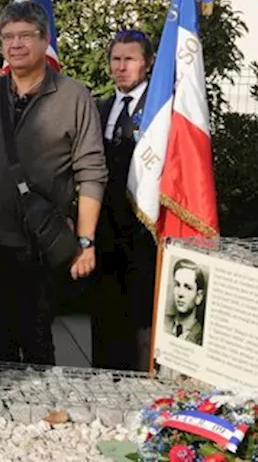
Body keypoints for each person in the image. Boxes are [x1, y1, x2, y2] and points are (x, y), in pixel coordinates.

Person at [0, 0, 106, 365]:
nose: (15, 44)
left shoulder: (73, 96)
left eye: (25, 36)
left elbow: (91, 171)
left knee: (36, 341)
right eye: (8, 37)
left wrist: (85, 240)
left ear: (44, 40)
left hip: (38, 247)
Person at [92, 29, 157, 370]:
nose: (121, 67)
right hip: (104, 226)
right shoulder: (100, 107)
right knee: (104, 310)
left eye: (130, 59)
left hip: (144, 231)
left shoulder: (160, 112)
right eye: (116, 59)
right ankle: (102, 376)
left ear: (147, 64)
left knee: (139, 316)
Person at [166, 258, 206, 345]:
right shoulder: (164, 323)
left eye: (187, 287)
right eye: (177, 285)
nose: (180, 293)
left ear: (198, 297)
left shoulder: (202, 337)